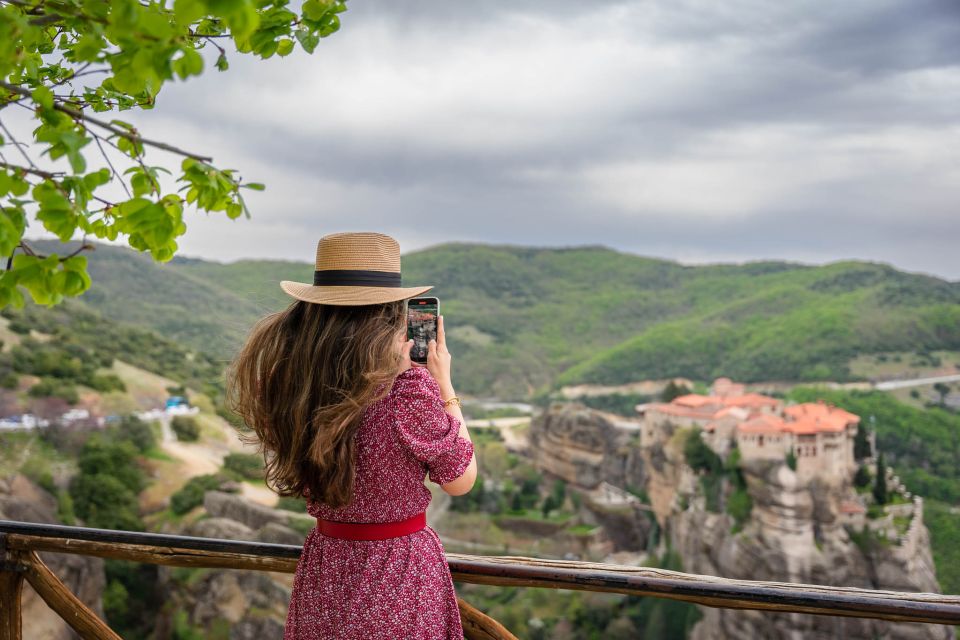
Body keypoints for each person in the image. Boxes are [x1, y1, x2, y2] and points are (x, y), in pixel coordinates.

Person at [227, 232, 477, 639]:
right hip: (398, 569)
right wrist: (444, 384)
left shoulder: (292, 383)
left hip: (327, 567)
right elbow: (460, 480)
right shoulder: (407, 390)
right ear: (390, 313)